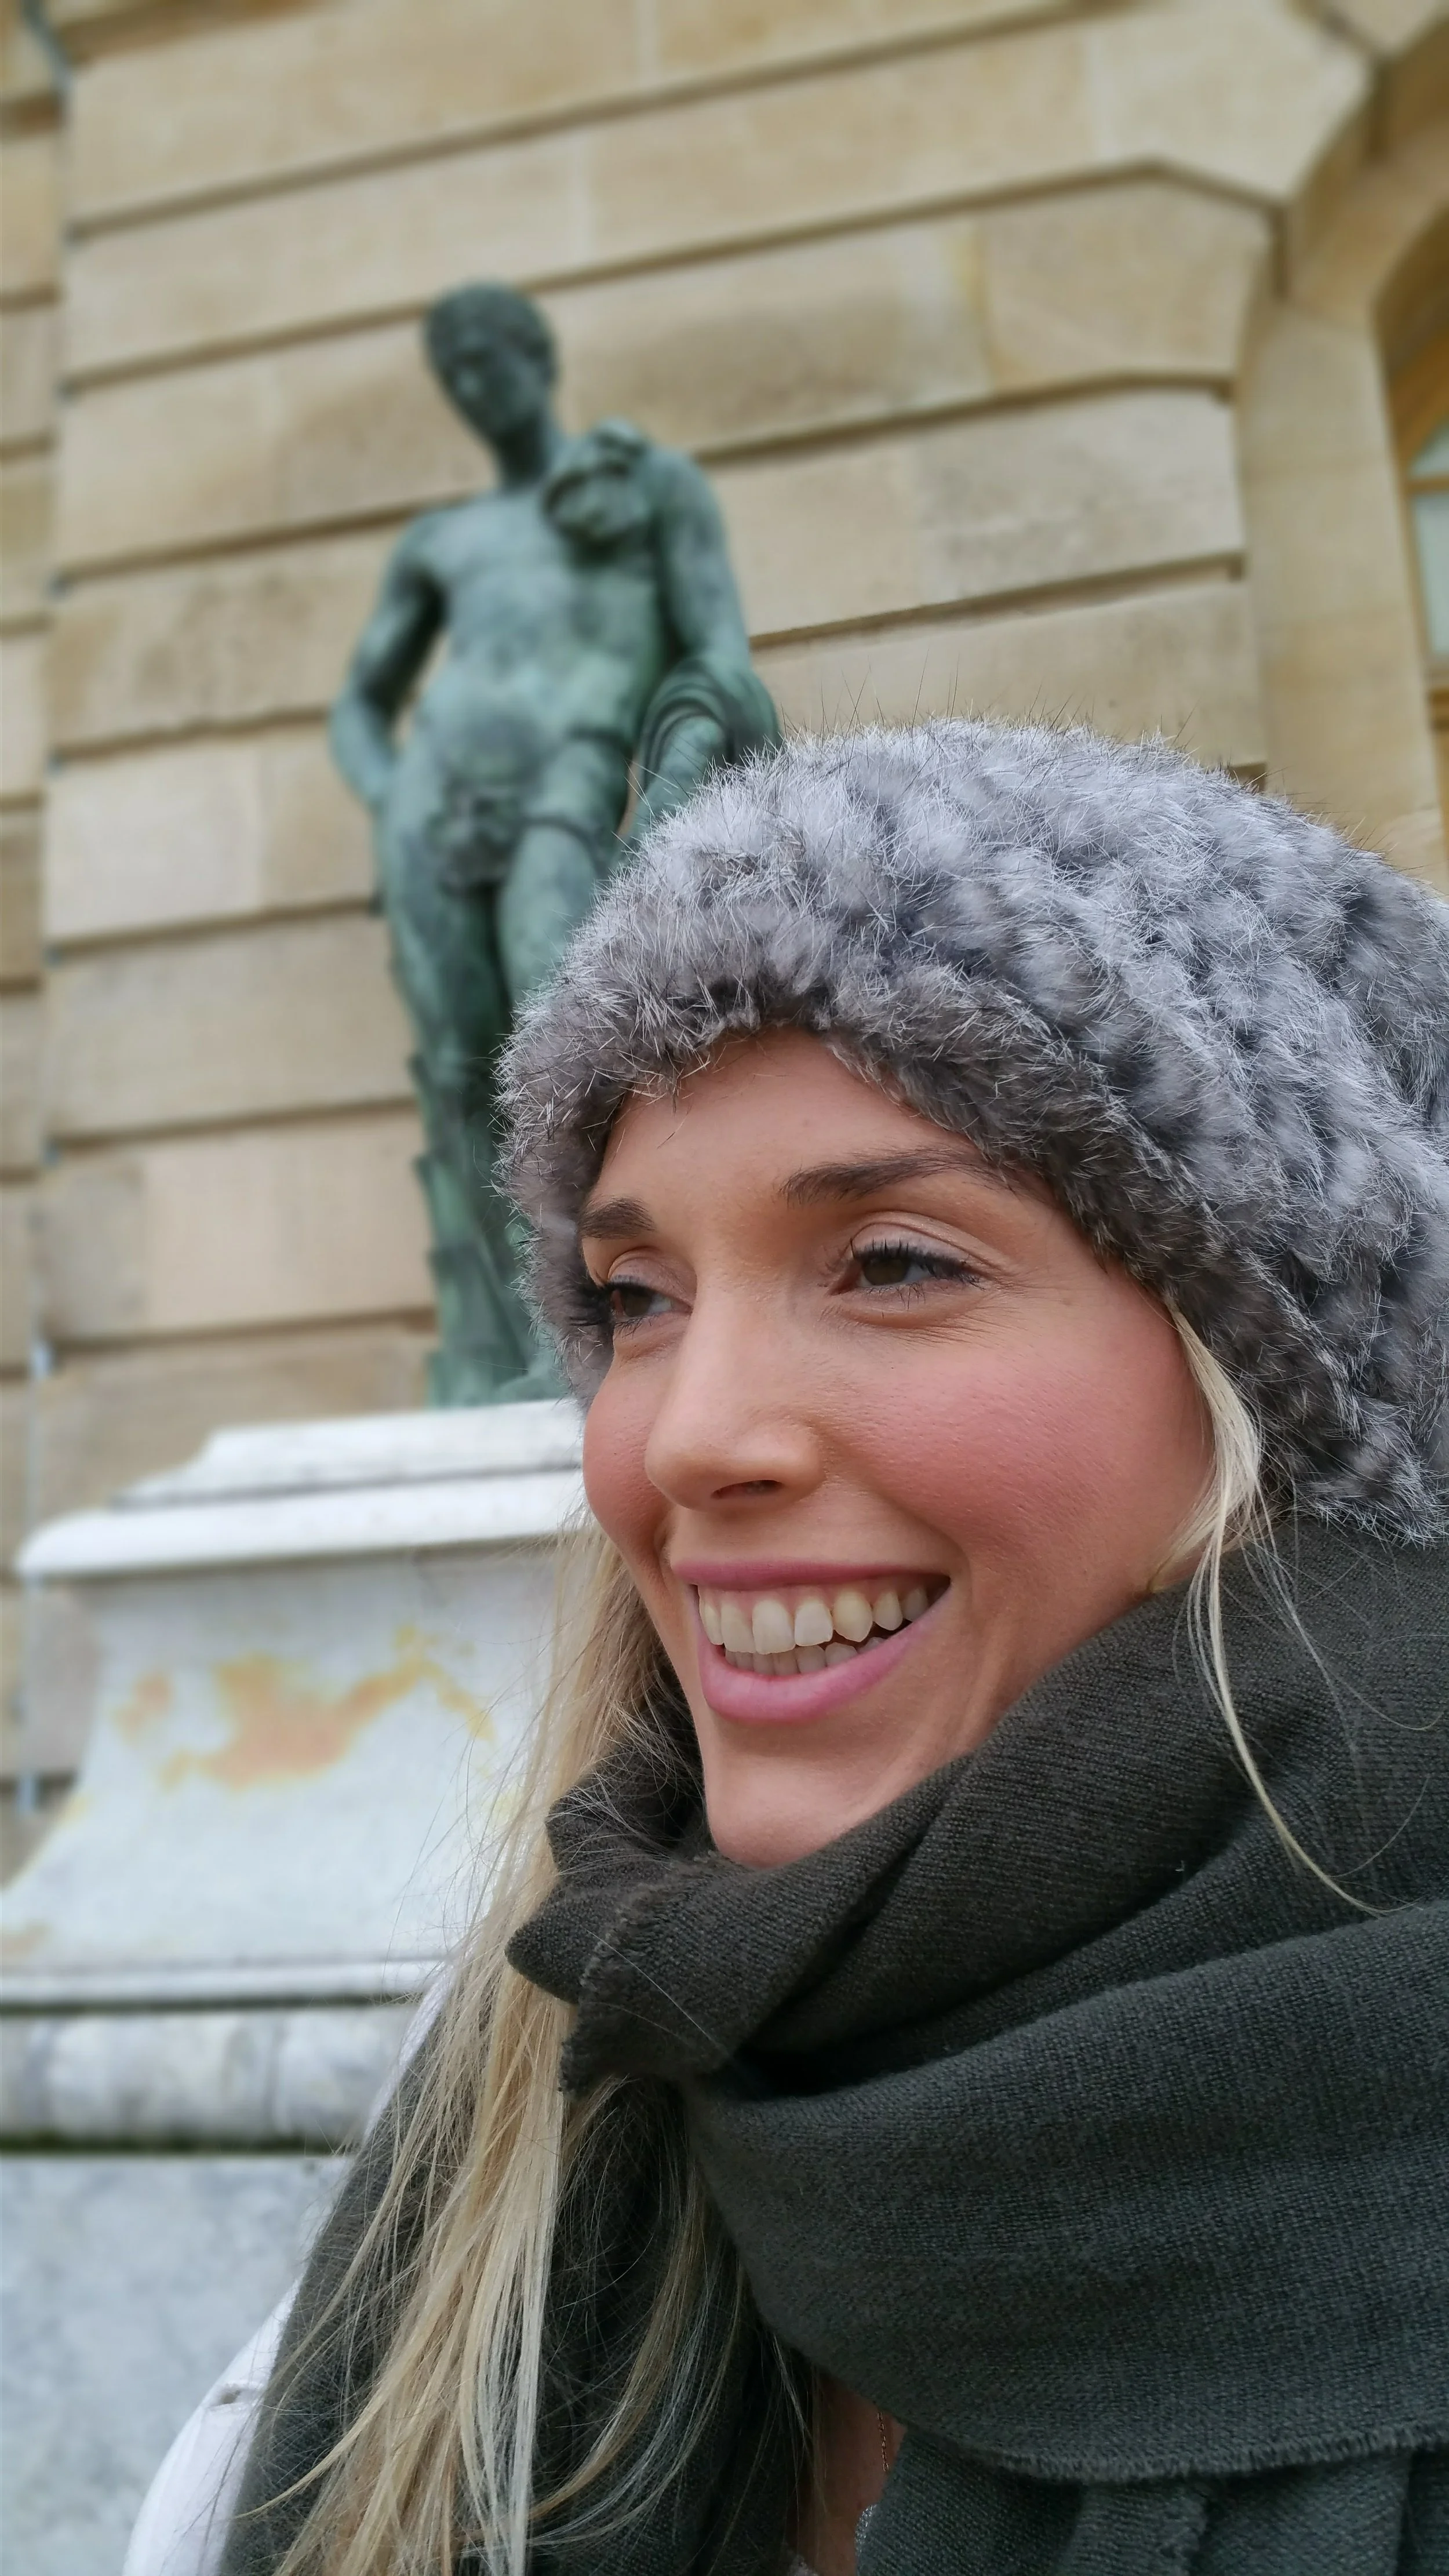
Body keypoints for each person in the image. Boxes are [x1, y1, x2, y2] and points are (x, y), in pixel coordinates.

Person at [139, 722, 1447, 2575]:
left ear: (1292, 1382)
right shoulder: (533, 2093)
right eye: (636, 1297)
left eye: (895, 1262)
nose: (681, 1438)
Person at [330, 282, 776, 1402]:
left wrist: (671, 786)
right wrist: (390, 798)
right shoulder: (445, 542)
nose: (478, 386)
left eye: (492, 358)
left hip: (569, 781)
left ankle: (577, 1337)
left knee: (564, 1053)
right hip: (435, 804)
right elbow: (359, 703)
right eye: (457, 372)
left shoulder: (644, 484)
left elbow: (719, 651)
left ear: (537, 356)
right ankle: (488, 1352)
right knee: (453, 1072)